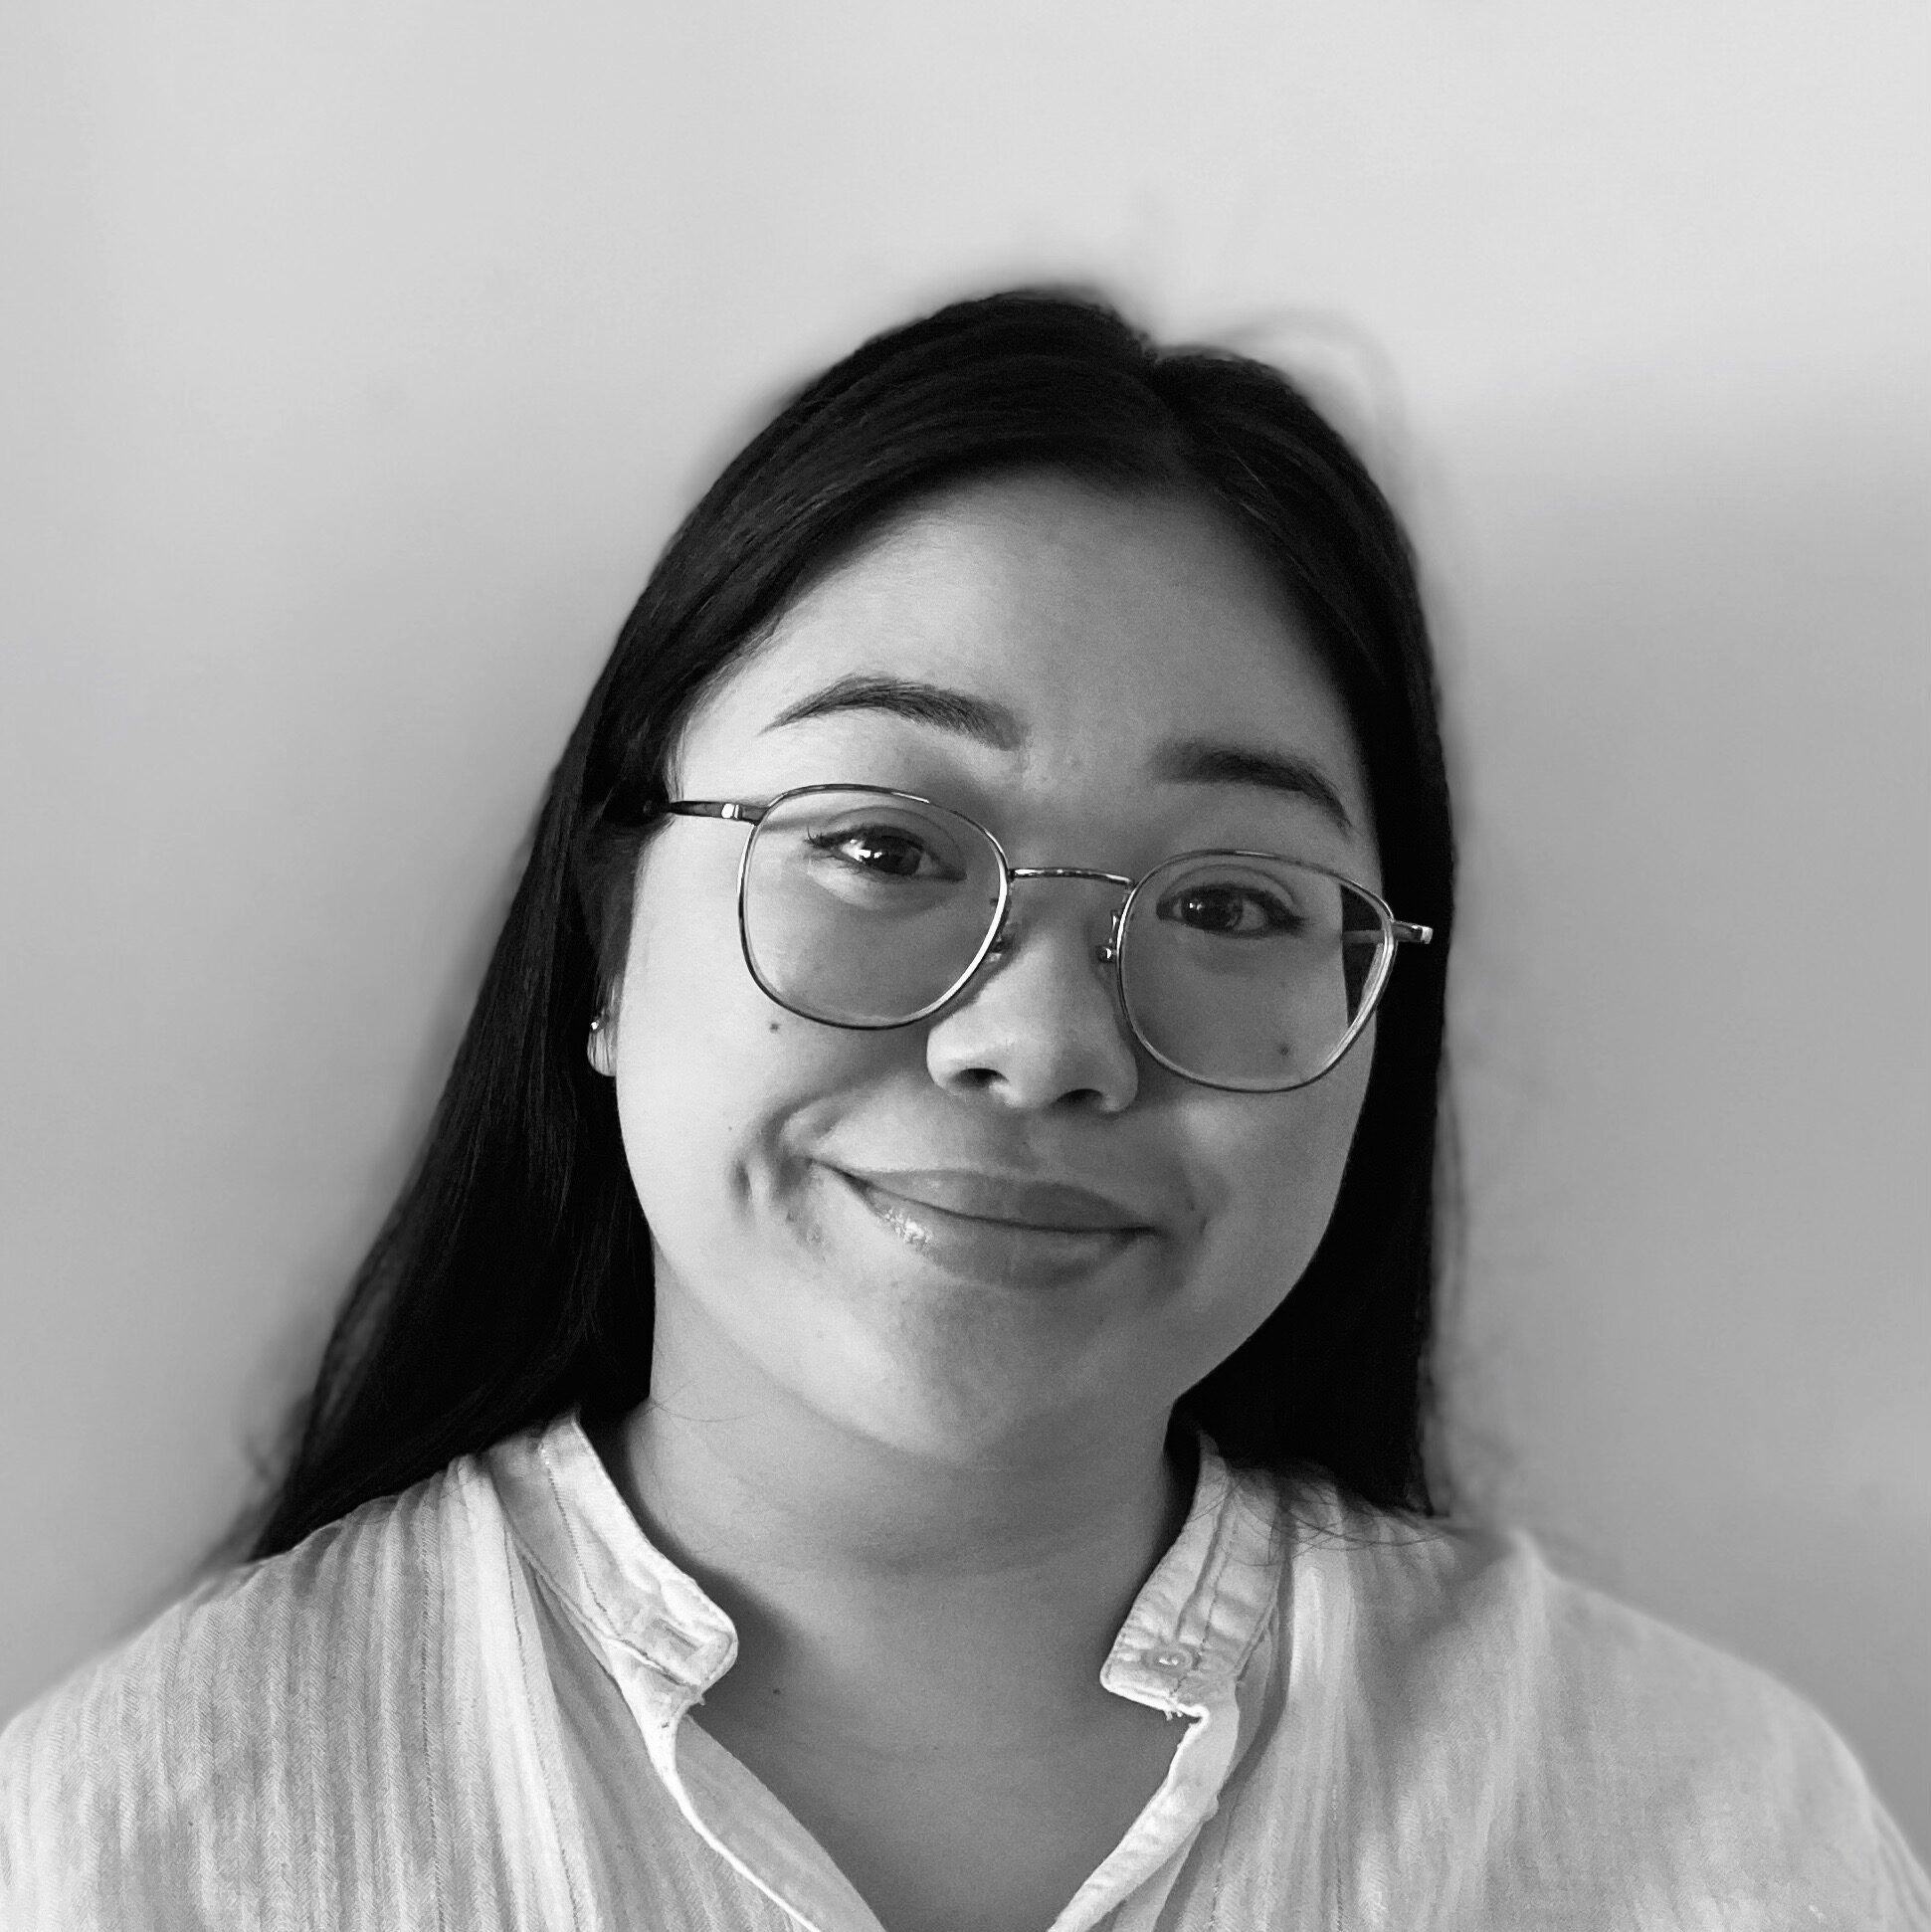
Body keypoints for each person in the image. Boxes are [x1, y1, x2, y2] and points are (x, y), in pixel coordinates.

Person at [1, 288, 1923, 1931]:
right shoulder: (145, 1843)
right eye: (880, 845)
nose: (1043, 1042)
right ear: (607, 938)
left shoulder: (1703, 1828)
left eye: (1231, 904)